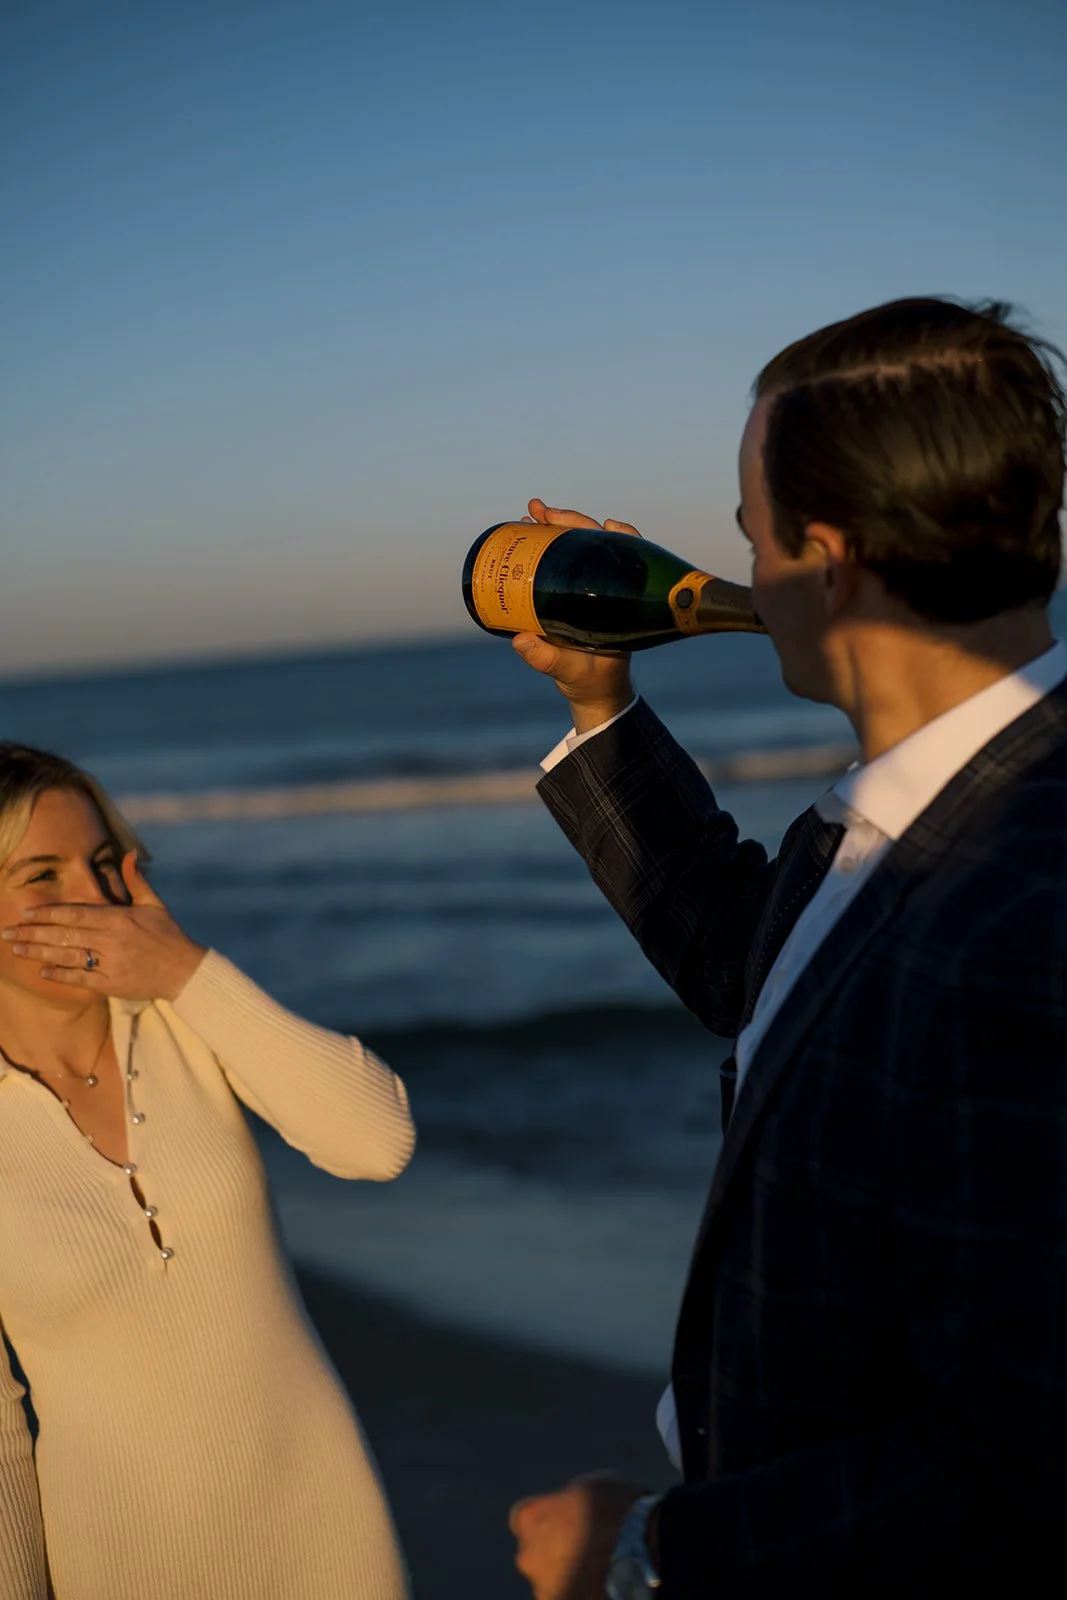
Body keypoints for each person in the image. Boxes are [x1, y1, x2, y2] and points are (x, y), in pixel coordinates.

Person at [507, 298, 1067, 1598]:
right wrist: (599, 707)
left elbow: (1021, 1463)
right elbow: (754, 973)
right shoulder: (913, 814)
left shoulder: (1021, 907)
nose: (736, 574)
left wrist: (646, 1551)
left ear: (825, 561)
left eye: (752, 538)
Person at [0, 743, 416, 1599]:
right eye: (44, 876)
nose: (98, 896)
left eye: (106, 861)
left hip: (335, 1549)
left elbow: (376, 1143)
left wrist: (189, 974)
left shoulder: (189, 1020)